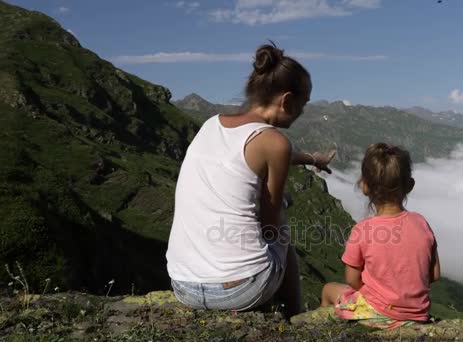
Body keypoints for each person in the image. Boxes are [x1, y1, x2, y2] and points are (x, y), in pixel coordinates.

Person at [166, 42, 335, 318]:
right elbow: (269, 227)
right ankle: (293, 320)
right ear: (287, 100)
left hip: (183, 285)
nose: (302, 113)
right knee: (281, 228)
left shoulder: (211, 125)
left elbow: (254, 151)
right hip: (240, 289)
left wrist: (312, 159)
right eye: (302, 105)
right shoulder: (275, 142)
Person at [321, 143, 440, 329]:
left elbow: (352, 280)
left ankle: (327, 330)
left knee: (329, 289)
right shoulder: (422, 223)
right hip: (418, 314)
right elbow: (434, 274)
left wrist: (379, 294)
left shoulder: (362, 230)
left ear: (364, 186)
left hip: (378, 313)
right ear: (410, 186)